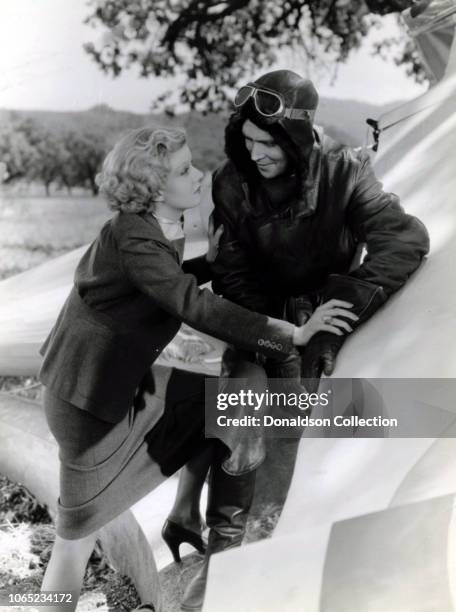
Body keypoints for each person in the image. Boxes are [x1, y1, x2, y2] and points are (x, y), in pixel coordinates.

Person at [38, 125, 355, 612]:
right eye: (185, 170)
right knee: (75, 539)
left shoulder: (157, 225)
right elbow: (193, 306)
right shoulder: (133, 236)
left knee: (224, 409)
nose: (200, 175)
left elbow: (169, 281)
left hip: (119, 388)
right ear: (154, 185)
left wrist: (213, 261)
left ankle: (184, 518)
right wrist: (292, 333)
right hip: (88, 404)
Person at [179, 70, 430, 610]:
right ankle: (219, 568)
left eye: (267, 142)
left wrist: (345, 304)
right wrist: (274, 335)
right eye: (246, 141)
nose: (256, 154)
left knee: (290, 449)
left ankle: (266, 573)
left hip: (323, 321)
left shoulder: (345, 173)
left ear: (295, 137)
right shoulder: (231, 181)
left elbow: (405, 238)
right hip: (257, 319)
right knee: (239, 430)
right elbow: (235, 275)